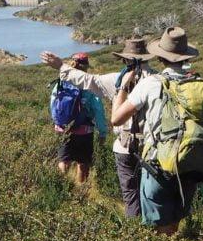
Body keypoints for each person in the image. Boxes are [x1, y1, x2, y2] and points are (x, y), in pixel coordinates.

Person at [41, 39, 156, 215]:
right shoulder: (160, 81)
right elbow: (98, 111)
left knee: (130, 193)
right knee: (152, 192)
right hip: (152, 148)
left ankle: (136, 229)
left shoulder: (116, 80)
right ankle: (158, 230)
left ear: (126, 59)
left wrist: (60, 66)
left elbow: (88, 80)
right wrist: (101, 132)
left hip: (124, 147)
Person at [110, 27, 203, 235]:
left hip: (158, 166)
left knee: (154, 231)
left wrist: (123, 87)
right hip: (189, 163)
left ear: (161, 58)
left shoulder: (151, 84)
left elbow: (116, 119)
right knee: (174, 223)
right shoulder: (198, 84)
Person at [45, 52, 108, 185]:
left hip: (64, 129)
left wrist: (58, 122)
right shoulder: (89, 84)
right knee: (83, 162)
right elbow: (98, 110)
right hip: (84, 131)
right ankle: (81, 189)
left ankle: (60, 188)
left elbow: (53, 103)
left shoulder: (62, 82)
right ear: (86, 66)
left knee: (64, 160)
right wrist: (102, 132)